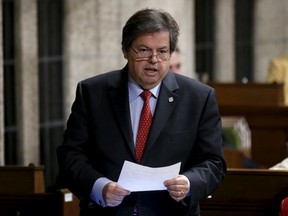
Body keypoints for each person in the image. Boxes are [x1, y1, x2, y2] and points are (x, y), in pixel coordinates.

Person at [57, 8, 226, 216]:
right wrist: (100, 187)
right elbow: (70, 156)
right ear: (126, 50)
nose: (154, 60)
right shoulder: (92, 93)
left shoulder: (199, 98)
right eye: (144, 50)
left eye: (162, 51)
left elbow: (214, 163)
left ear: (171, 53)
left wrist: (189, 183)